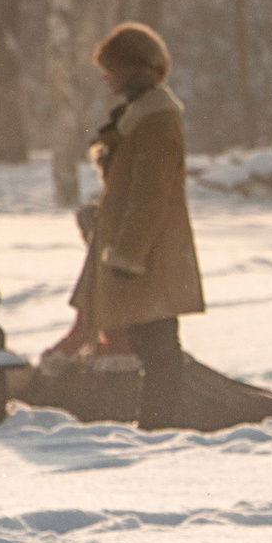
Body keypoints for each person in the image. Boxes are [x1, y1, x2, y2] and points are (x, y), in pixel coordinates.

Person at [66, 21, 203, 430]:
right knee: (152, 344)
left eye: (110, 68)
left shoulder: (155, 121)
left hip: (147, 255)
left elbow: (149, 196)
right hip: (141, 251)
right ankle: (156, 424)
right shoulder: (138, 118)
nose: (105, 77)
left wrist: (127, 254)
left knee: (157, 346)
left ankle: (158, 426)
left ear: (129, 70)